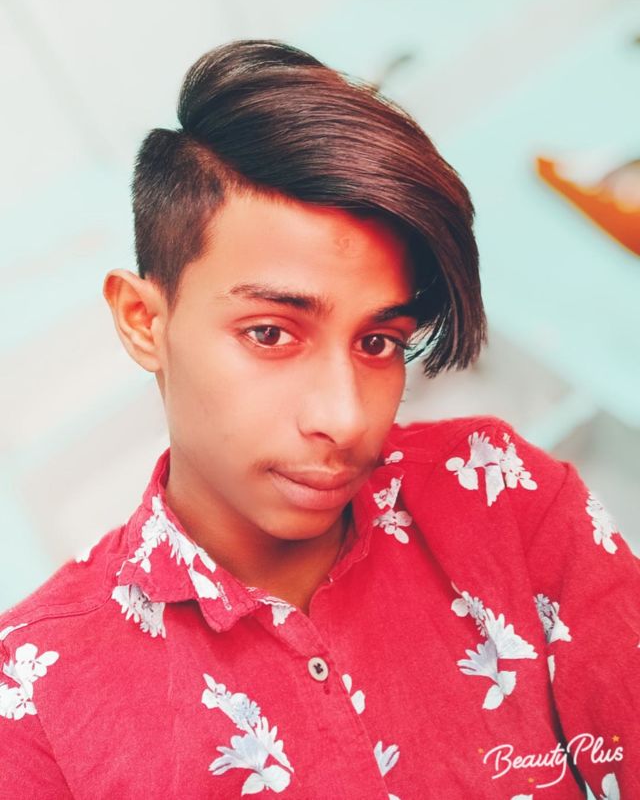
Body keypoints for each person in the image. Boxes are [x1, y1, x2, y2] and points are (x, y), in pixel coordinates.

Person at [0, 40, 638, 800]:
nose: (344, 417)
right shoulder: (32, 702)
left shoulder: (501, 493)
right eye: (270, 333)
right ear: (143, 320)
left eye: (379, 342)